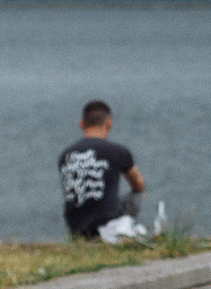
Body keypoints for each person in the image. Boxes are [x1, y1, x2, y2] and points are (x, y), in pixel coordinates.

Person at [59, 100, 147, 242]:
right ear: (109, 123)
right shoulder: (118, 151)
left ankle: (82, 237)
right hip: (107, 223)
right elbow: (138, 183)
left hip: (75, 226)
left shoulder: (66, 155)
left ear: (82, 124)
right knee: (136, 194)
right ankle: (123, 231)